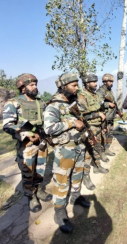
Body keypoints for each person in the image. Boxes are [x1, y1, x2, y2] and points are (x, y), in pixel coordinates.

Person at [44, 73, 90, 234]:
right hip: (65, 150)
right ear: (63, 86)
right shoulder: (53, 105)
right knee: (62, 181)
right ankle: (59, 212)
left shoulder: (73, 102)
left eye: (77, 85)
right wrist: (71, 122)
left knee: (78, 175)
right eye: (74, 85)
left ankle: (76, 196)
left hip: (79, 146)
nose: (77, 88)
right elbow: (48, 128)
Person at [3, 73, 52, 213]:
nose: (35, 86)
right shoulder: (13, 103)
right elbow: (7, 125)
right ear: (23, 87)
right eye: (31, 84)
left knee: (40, 169)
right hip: (26, 146)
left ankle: (39, 190)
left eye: (36, 84)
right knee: (28, 172)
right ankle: (31, 196)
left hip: (41, 143)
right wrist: (27, 135)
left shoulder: (39, 102)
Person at [78, 74, 109, 191]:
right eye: (93, 82)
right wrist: (97, 115)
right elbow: (81, 115)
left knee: (97, 148)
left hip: (98, 126)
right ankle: (86, 177)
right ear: (87, 83)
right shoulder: (83, 96)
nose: (96, 84)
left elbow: (100, 110)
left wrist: (103, 125)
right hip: (89, 127)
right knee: (87, 153)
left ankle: (97, 166)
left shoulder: (95, 95)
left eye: (96, 82)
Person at [96, 73, 117, 161]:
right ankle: (102, 153)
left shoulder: (109, 91)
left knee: (109, 135)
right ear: (105, 81)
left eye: (112, 81)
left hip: (110, 117)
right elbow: (98, 103)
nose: (111, 83)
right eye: (110, 81)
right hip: (104, 117)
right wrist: (108, 104)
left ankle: (107, 149)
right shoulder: (100, 91)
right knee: (103, 136)